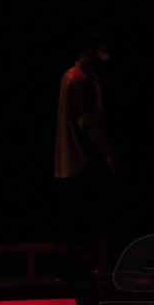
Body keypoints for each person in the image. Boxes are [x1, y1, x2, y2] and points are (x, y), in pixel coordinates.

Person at [54, 31, 121, 285]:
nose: (107, 57)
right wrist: (110, 155)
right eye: (102, 51)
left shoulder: (69, 75)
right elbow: (90, 124)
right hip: (84, 162)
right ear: (89, 51)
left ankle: (73, 268)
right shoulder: (83, 80)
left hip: (71, 162)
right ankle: (84, 269)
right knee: (88, 217)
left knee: (73, 218)